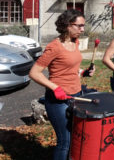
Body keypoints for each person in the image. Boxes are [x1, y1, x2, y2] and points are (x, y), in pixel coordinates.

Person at [29, 9, 95, 160]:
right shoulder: (54, 47)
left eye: (83, 25)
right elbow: (34, 73)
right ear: (67, 25)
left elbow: (68, 67)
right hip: (58, 100)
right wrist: (54, 87)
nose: (82, 29)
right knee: (65, 141)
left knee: (75, 136)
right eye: (79, 26)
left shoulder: (75, 42)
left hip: (77, 95)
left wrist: (83, 72)